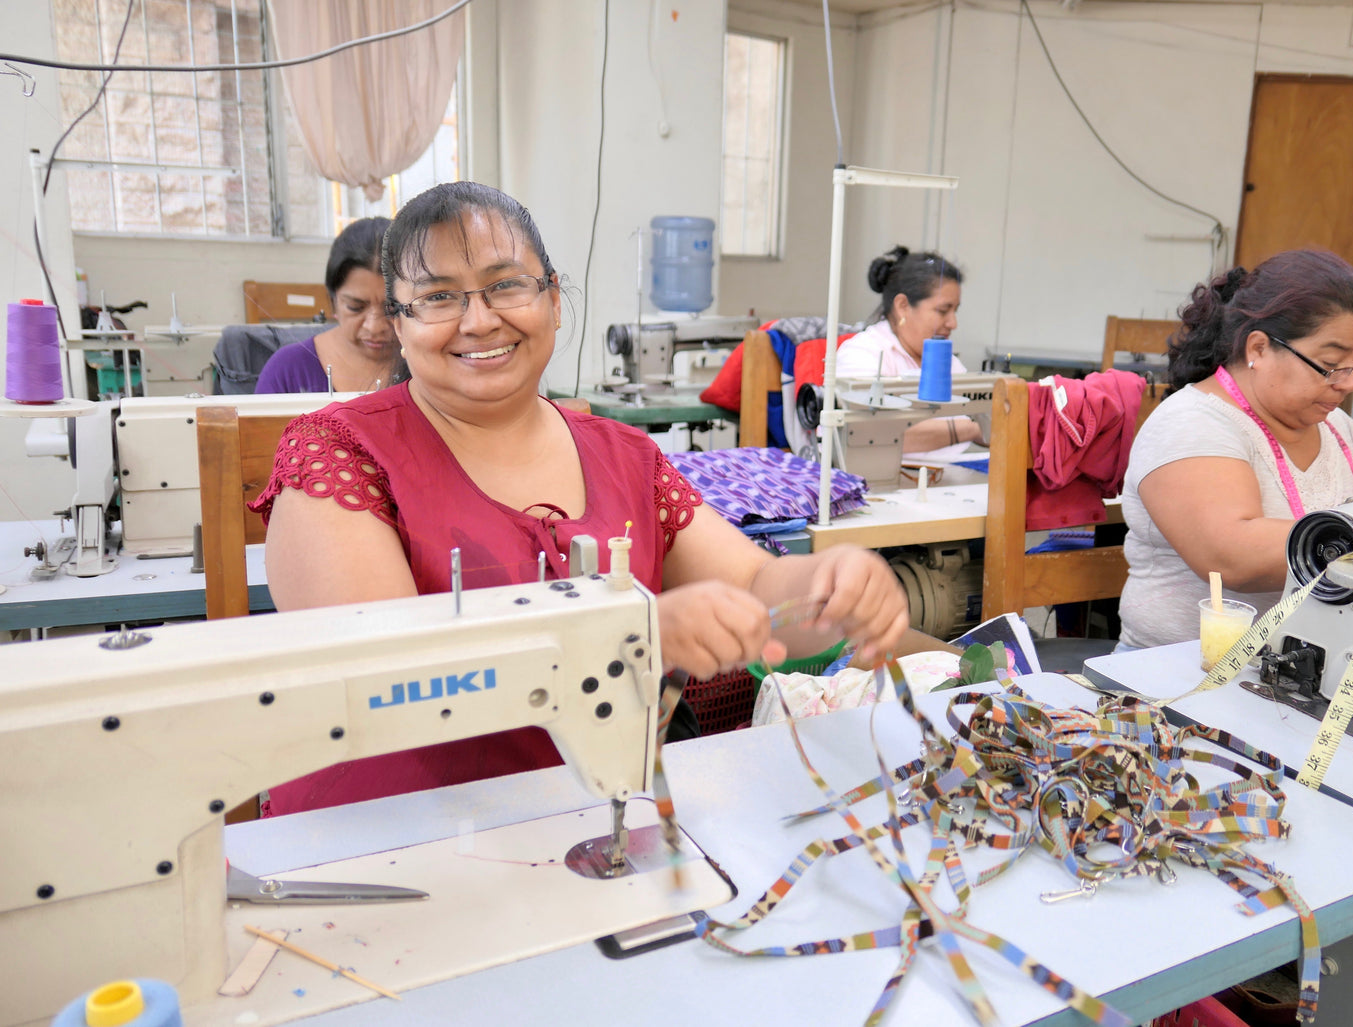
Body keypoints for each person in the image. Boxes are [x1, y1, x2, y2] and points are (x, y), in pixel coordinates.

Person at [251, 182, 911, 814]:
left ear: (554, 300)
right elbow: (390, 677)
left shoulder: (626, 456)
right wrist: (628, 637)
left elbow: (758, 586)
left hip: (583, 816)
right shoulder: (336, 452)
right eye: (437, 297)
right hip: (383, 843)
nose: (478, 321)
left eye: (506, 285)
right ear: (398, 322)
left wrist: (830, 586)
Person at [1117, 249, 1353, 651]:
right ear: (1257, 349)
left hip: (1299, 674)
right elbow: (1231, 556)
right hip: (1177, 677)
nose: (1349, 383)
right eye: (1331, 363)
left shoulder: (1336, 427)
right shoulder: (1191, 422)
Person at [835, 246, 982, 452]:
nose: (953, 323)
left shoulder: (948, 363)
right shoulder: (862, 353)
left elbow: (982, 421)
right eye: (942, 310)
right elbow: (871, 433)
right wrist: (975, 429)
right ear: (903, 305)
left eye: (955, 311)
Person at [255, 217, 405, 393]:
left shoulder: (433, 367)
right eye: (355, 307)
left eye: (392, 308)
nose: (374, 327)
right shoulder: (287, 370)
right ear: (332, 300)